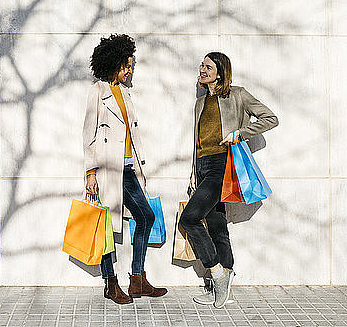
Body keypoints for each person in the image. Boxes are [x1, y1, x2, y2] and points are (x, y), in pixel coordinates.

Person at [179, 52, 279, 308]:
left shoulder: (238, 94)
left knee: (189, 219)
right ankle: (223, 289)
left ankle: (217, 273)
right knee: (216, 224)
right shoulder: (200, 102)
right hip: (202, 167)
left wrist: (240, 134)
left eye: (208, 66)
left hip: (222, 165)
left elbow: (270, 118)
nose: (202, 69)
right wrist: (193, 170)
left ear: (220, 72)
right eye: (201, 65)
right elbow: (198, 141)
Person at [83, 34, 167, 304]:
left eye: (130, 66)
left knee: (145, 217)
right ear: (113, 63)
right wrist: (90, 173)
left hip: (129, 169)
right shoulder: (98, 91)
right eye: (126, 65)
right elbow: (89, 134)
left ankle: (137, 279)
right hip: (108, 170)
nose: (129, 71)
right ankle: (110, 283)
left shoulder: (126, 92)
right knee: (106, 225)